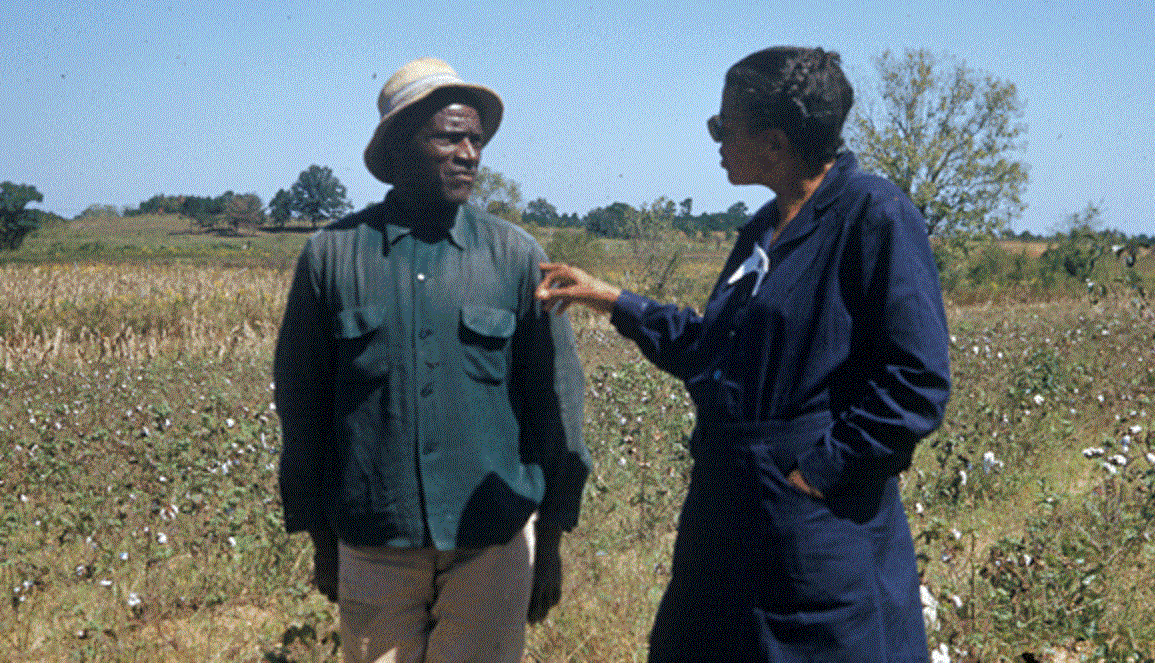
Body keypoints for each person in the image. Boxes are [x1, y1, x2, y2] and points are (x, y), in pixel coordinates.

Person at [536, 46, 951, 662]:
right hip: (728, 516)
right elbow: (714, 352)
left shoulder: (873, 213)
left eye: (722, 126)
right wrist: (608, 297)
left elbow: (916, 381)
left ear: (776, 138)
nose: (715, 140)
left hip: (816, 534)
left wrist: (819, 474)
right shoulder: (763, 228)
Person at [274, 57, 591, 663]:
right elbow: (301, 405)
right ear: (399, 146)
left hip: (491, 544)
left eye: (476, 139)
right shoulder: (332, 257)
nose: (469, 153)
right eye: (450, 137)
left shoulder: (515, 257)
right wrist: (321, 537)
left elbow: (556, 404)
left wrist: (549, 537)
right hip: (375, 540)